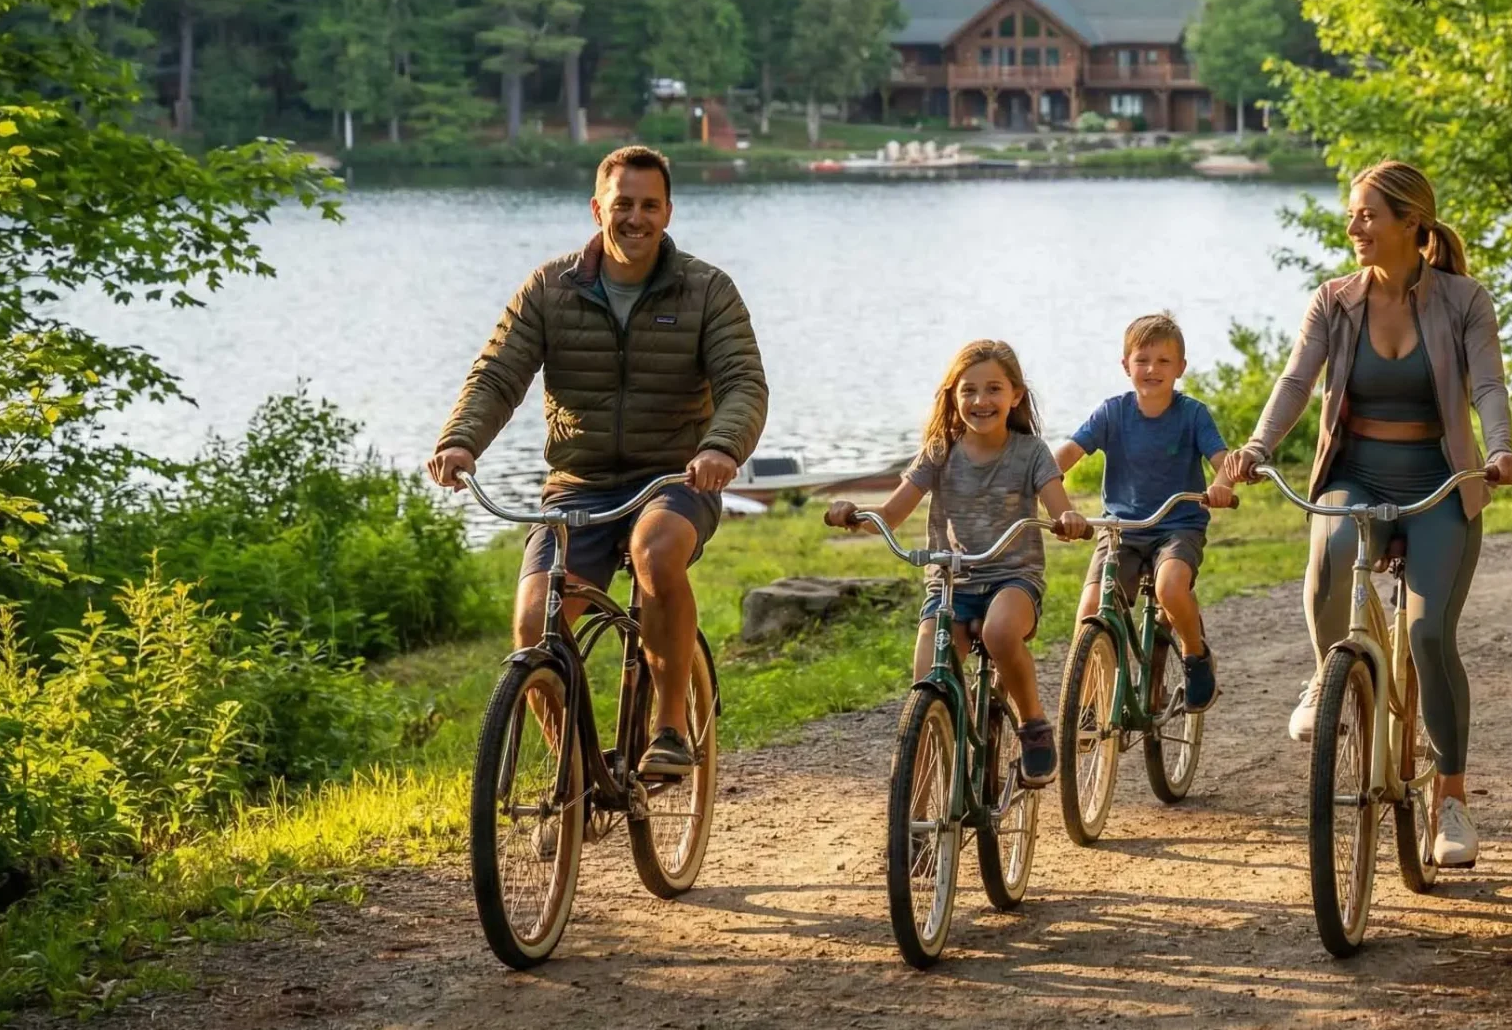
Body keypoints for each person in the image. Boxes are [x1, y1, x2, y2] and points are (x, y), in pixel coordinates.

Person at [1217, 160, 1512, 869]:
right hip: (1354, 474)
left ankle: (1450, 797)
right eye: (1353, 214)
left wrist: (1502, 449)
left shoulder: (1464, 300)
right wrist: (1259, 447)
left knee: (1427, 633)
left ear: (1410, 223)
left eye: (1367, 215)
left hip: (1441, 483)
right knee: (1328, 563)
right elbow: (1297, 379)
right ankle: (1329, 672)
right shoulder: (1334, 300)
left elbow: (1488, 384)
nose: (1354, 226)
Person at [427, 145, 767, 779]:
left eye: (648, 206)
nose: (634, 218)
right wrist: (460, 440)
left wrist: (721, 448)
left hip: (674, 478)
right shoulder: (550, 288)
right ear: (597, 208)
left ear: (667, 213)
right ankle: (577, 775)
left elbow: (743, 382)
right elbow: (498, 373)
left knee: (657, 552)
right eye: (622, 205)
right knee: (534, 626)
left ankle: (669, 725)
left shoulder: (707, 290)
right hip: (576, 486)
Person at [827, 340, 1088, 786]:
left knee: (1000, 632)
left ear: (1016, 396)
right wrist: (856, 515)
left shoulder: (1031, 453)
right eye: (968, 390)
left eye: (993, 389)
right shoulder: (939, 450)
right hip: (951, 584)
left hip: (1012, 578)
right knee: (928, 682)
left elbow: (1057, 507)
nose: (981, 401)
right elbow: (891, 514)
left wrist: (1068, 520)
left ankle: (1032, 724)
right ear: (952, 395)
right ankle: (917, 818)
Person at [1055, 312, 1240, 711]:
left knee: (1170, 587)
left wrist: (1222, 485)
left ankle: (1195, 654)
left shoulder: (1193, 415)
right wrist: (1043, 480)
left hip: (1178, 525)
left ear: (1180, 368)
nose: (1152, 369)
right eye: (1142, 360)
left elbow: (1223, 461)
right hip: (1120, 529)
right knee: (1090, 609)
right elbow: (1066, 455)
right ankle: (1087, 704)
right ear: (1126, 366)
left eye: (1163, 361)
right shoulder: (1112, 413)